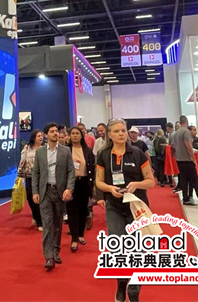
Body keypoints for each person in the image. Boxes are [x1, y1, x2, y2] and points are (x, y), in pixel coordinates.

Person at [95, 118, 154, 302]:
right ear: (109, 135)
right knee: (117, 248)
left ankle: (134, 291)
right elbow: (99, 181)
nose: (121, 134)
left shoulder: (137, 153)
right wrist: (109, 189)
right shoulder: (103, 155)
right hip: (114, 207)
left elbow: (150, 181)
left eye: (123, 130)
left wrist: (136, 184)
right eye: (116, 131)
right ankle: (121, 283)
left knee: (138, 251)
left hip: (137, 207)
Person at [32, 122, 75, 271]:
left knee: (57, 223)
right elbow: (35, 173)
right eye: (52, 131)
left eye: (57, 131)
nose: (56, 133)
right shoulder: (40, 152)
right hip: (45, 192)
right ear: (46, 135)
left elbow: (71, 171)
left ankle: (56, 250)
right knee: (47, 224)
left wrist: (69, 188)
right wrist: (35, 191)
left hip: (60, 191)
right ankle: (48, 256)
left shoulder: (65, 151)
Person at [66, 126, 95, 252]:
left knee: (83, 210)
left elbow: (92, 168)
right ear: (70, 136)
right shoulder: (66, 150)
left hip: (84, 183)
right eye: (73, 133)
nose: (75, 135)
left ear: (81, 136)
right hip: (70, 184)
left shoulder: (87, 150)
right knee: (72, 211)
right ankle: (73, 238)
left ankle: (81, 234)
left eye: (77, 133)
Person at [18, 130, 44, 231]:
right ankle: (35, 215)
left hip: (41, 177)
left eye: (41, 136)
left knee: (40, 198)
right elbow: (22, 161)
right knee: (30, 197)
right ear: (33, 138)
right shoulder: (27, 147)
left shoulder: (44, 148)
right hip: (29, 176)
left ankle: (40, 222)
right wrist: (19, 175)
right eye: (38, 136)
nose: (41, 138)